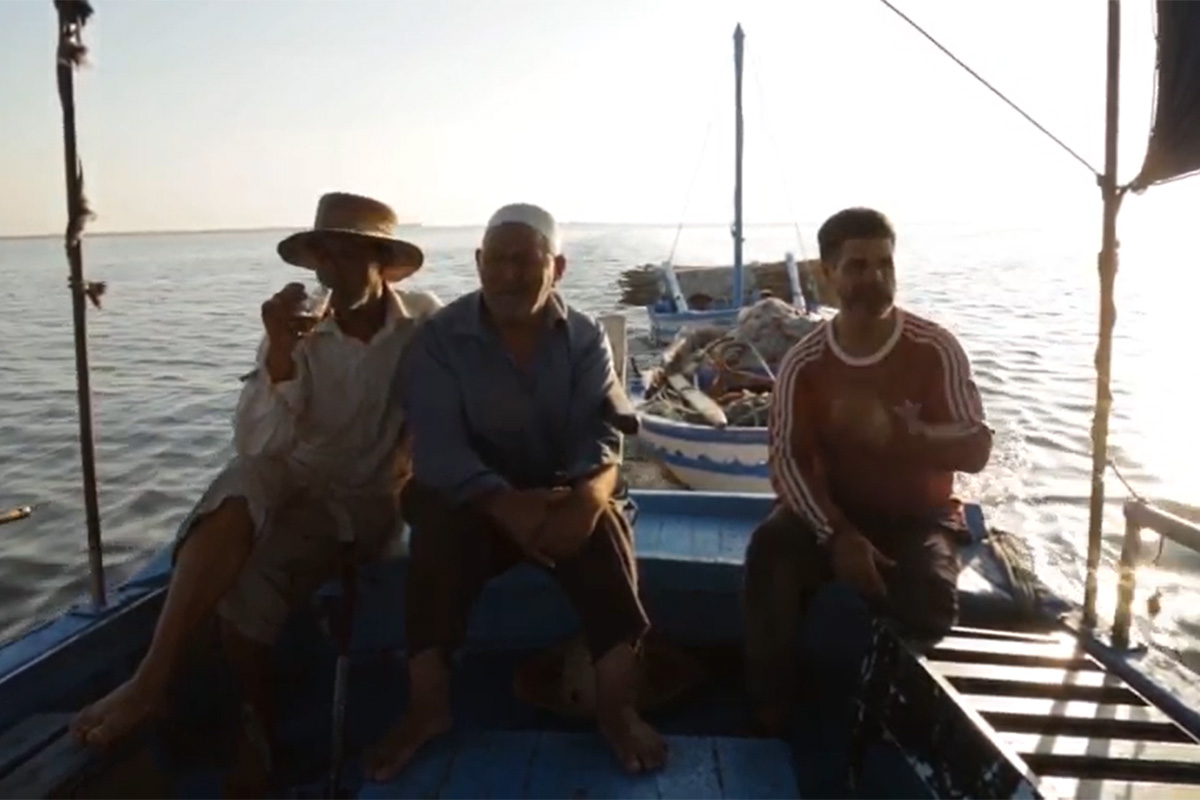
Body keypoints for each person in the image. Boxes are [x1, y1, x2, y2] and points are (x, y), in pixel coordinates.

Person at [70, 193, 441, 766]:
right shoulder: (294, 332)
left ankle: (238, 724)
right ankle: (174, 691)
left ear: (383, 264)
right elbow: (258, 447)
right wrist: (281, 359)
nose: (331, 272)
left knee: (250, 580)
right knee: (246, 480)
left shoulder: (422, 325)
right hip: (295, 487)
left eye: (347, 256)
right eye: (323, 257)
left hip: (368, 500)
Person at [364, 203, 665, 781]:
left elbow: (601, 434)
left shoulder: (583, 337)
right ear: (478, 262)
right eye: (497, 260)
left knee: (605, 533)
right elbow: (439, 448)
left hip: (558, 497)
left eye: (525, 261)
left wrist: (584, 501)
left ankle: (617, 708)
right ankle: (428, 708)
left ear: (558, 268)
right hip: (472, 502)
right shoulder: (440, 339)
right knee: (436, 536)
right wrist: (503, 503)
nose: (508, 275)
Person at [743, 206, 992, 736]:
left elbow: (976, 448)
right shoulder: (804, 363)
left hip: (917, 517)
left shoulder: (935, 348)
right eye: (857, 266)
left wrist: (910, 435)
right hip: (833, 515)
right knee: (770, 552)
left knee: (928, 601)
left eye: (885, 264)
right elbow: (786, 461)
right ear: (826, 274)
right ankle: (770, 711)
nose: (875, 278)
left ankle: (895, 718)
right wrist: (837, 535)